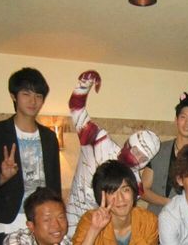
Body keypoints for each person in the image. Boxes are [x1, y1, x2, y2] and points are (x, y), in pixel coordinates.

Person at [66, 70, 160, 236]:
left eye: (143, 157)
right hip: (73, 221)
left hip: (104, 234)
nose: (136, 158)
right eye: (135, 150)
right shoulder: (98, 141)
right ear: (128, 143)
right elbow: (76, 108)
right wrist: (85, 84)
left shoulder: (135, 184)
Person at [0, 67, 61, 238]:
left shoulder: (49, 137)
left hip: (44, 218)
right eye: (26, 94)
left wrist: (58, 215)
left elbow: (55, 183)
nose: (33, 101)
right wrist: (3, 177)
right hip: (10, 218)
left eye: (38, 96)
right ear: (13, 96)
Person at [141, 92, 188, 215]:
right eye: (183, 117)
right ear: (176, 120)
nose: (187, 123)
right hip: (155, 218)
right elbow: (142, 190)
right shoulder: (159, 149)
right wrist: (168, 202)